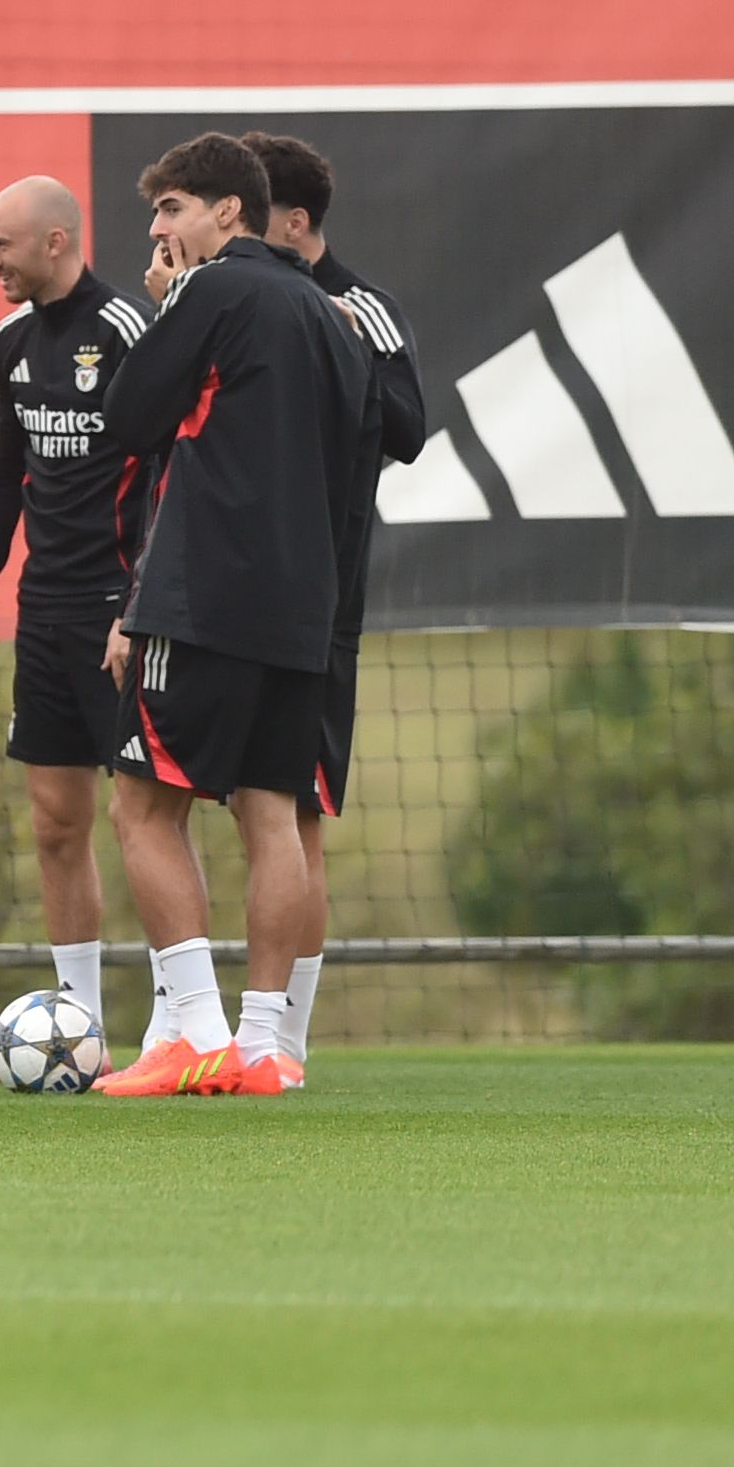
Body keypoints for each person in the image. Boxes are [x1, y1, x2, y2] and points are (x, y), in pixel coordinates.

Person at [90, 134, 375, 1099]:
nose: (161, 232)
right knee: (273, 819)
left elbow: (127, 417)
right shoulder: (334, 318)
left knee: (141, 806)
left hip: (205, 598)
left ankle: (193, 1034)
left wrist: (168, 304)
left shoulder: (213, 291)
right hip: (305, 613)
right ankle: (262, 1048)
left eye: (171, 210)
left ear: (227, 212)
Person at [235, 132, 431, 1084]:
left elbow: (410, 428)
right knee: (239, 806)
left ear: (295, 222)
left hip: (320, 600)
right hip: (230, 598)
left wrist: (329, 350)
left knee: (295, 811)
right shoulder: (226, 301)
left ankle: (281, 1037)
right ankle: (198, 1024)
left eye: (248, 207)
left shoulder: (356, 306)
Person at [0, 175, 151, 1052]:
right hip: (45, 610)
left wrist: (141, 605)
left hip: (122, 612)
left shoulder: (128, 333)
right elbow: (6, 473)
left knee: (142, 818)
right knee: (55, 821)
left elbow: (167, 477)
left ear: (57, 242)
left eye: (2, 244)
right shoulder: (9, 342)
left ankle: (184, 1016)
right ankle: (80, 1027)